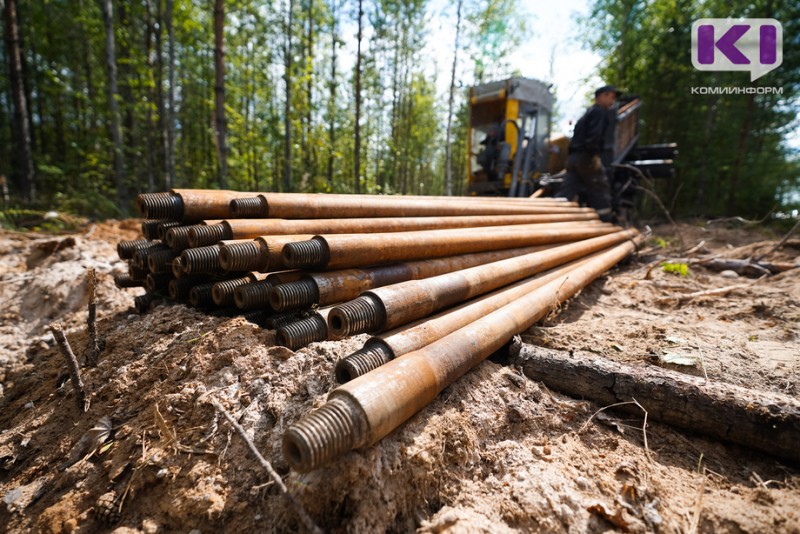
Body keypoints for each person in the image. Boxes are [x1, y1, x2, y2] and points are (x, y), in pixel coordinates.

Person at [557, 84, 621, 222]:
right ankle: (606, 222)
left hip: (573, 158)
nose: (613, 102)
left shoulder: (587, 113)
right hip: (586, 157)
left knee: (567, 190)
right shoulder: (600, 112)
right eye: (612, 97)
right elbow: (595, 136)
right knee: (600, 187)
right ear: (603, 96)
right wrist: (594, 156)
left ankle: (552, 215)